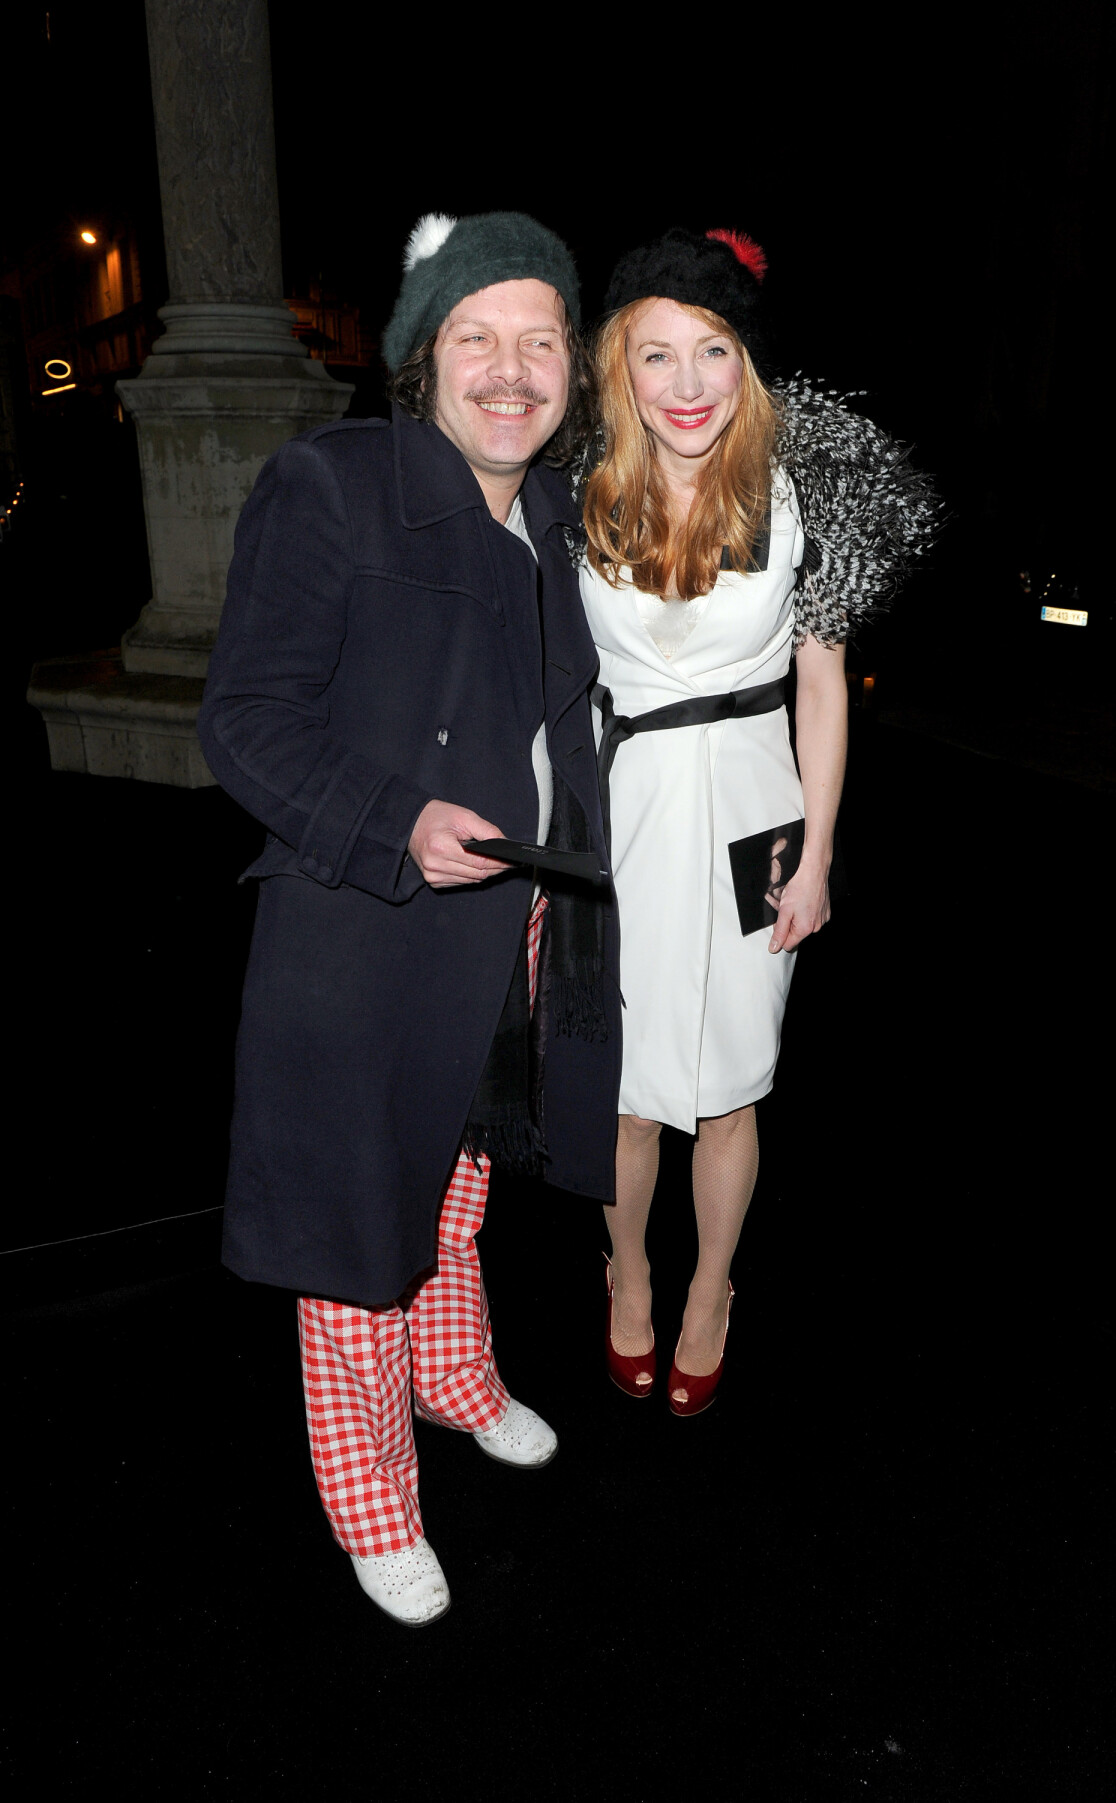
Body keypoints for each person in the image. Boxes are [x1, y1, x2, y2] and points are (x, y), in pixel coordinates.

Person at [198, 212, 620, 1626]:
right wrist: (394, 822)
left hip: (507, 934)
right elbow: (243, 720)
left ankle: (452, 1374)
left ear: (572, 365)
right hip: (362, 932)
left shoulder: (560, 519)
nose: (511, 371)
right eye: (475, 338)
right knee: (354, 1214)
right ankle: (370, 1487)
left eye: (540, 341)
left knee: (459, 1179)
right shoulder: (333, 485)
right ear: (422, 358)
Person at [577, 228, 937, 1415]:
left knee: (731, 1085)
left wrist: (819, 855)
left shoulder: (799, 493)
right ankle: (627, 1267)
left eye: (713, 352)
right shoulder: (571, 489)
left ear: (748, 362)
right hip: (618, 820)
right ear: (618, 368)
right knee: (627, 1091)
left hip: (754, 819)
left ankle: (711, 1290)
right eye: (657, 355)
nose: (686, 385)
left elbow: (820, 685)